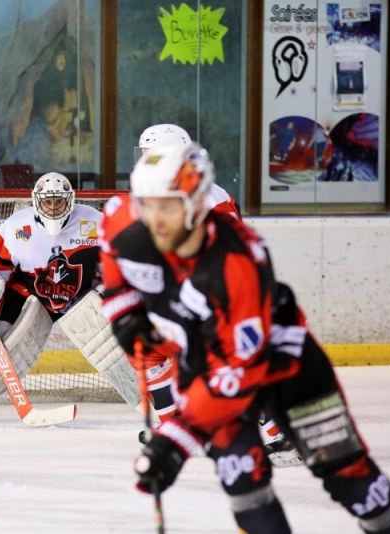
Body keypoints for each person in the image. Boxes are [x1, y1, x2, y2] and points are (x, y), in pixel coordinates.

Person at [101, 142, 390, 533]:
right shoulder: (122, 219)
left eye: (168, 206)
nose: (155, 220)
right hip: (209, 369)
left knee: (350, 478)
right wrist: (124, 315)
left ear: (199, 202)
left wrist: (175, 441)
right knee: (244, 486)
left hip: (289, 372)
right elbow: (115, 271)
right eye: (147, 205)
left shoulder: (239, 264)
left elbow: (237, 375)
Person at [104, 123, 303, 464]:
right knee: (151, 354)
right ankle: (173, 425)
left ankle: (278, 429)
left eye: (154, 155)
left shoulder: (208, 196)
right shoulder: (155, 192)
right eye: (145, 155)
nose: (146, 163)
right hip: (178, 289)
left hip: (215, 293)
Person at [0, 172, 143, 424]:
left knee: (118, 338)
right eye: (48, 202)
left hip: (81, 295)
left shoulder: (95, 222)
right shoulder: (17, 227)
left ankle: (153, 396)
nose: (54, 208)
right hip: (29, 294)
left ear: (70, 200)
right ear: (37, 201)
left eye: (59, 202)